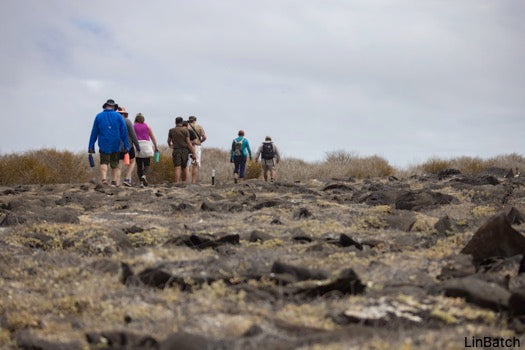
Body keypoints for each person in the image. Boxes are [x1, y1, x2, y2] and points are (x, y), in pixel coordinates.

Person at [88, 99, 129, 186]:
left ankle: (104, 179)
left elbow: (94, 132)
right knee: (115, 163)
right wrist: (126, 145)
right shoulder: (119, 116)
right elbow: (124, 132)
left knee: (104, 162)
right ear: (114, 107)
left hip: (103, 143)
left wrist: (91, 146)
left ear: (105, 106)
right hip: (116, 143)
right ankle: (114, 181)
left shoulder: (98, 116)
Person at [116, 107, 140, 187]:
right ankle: (127, 178)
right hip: (128, 146)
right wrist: (138, 147)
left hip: (117, 147)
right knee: (132, 162)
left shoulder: (114, 122)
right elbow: (133, 135)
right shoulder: (127, 121)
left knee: (119, 166)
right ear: (124, 114)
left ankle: (117, 183)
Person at [167, 117, 196, 183]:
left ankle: (177, 182)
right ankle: (184, 182)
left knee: (177, 167)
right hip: (184, 150)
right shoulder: (185, 131)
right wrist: (193, 152)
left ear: (175, 122)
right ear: (182, 122)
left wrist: (170, 145)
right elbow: (188, 143)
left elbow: (168, 141)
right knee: (184, 167)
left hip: (176, 150)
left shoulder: (171, 130)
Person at [134, 113, 159, 187]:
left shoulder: (133, 126)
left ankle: (141, 183)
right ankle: (144, 176)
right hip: (146, 145)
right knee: (147, 164)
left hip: (137, 145)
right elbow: (152, 137)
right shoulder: (147, 126)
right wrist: (156, 147)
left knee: (139, 165)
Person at [188, 116, 206, 184]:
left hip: (188, 146)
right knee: (195, 164)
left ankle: (187, 181)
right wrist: (199, 141)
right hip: (197, 146)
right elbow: (204, 137)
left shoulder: (186, 127)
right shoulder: (199, 126)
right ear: (195, 120)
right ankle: (193, 181)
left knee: (188, 164)